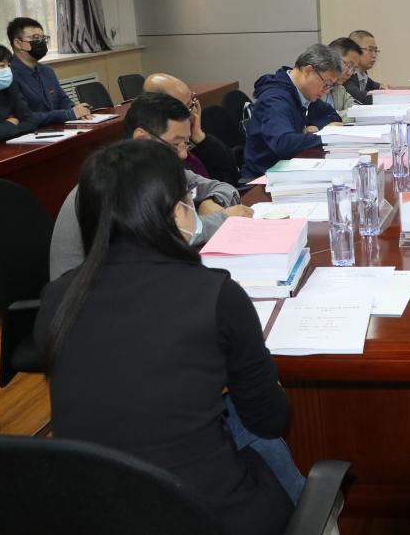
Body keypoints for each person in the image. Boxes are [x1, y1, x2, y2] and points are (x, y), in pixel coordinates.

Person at [35, 139, 301, 535]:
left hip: (92, 515)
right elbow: (271, 419)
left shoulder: (57, 298)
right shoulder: (217, 294)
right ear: (178, 211)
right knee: (257, 430)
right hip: (203, 515)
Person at [50, 93, 251, 280]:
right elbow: (166, 239)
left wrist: (211, 200)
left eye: (186, 144)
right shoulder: (109, 183)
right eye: (176, 144)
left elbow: (224, 188)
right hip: (86, 294)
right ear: (142, 138)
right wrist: (223, 218)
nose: (183, 154)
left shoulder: (156, 170)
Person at [241, 44, 345, 179]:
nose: (326, 91)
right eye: (326, 84)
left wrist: (314, 128)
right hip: (265, 178)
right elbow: (283, 143)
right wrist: (325, 135)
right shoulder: (275, 100)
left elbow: (332, 116)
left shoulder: (303, 92)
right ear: (308, 71)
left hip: (292, 168)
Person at [144, 72, 239, 185]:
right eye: (188, 107)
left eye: (192, 101)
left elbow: (230, 165)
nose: (194, 111)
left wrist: (200, 137)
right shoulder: (158, 150)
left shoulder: (191, 131)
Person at [7, 17, 92, 126]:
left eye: (43, 38)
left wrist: (75, 108)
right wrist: (68, 114)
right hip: (31, 133)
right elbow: (26, 117)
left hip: (58, 129)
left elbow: (62, 100)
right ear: (18, 43)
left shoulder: (47, 71)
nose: (42, 42)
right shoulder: (9, 76)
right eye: (35, 38)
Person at [0, 44, 38, 141]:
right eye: (2, 66)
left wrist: (6, 128)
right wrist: (10, 123)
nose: (7, 70)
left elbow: (31, 121)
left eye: (9, 65)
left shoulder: (9, 87)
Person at [344, 29, 390, 104]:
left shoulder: (362, 74)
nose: (374, 55)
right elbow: (361, 98)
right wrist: (389, 97)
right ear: (354, 50)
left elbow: (372, 84)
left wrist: (382, 86)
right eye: (370, 50)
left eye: (375, 50)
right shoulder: (347, 75)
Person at [325, 36, 363, 114]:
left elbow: (358, 110)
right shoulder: (314, 86)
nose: (349, 73)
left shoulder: (339, 89)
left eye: (353, 69)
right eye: (349, 66)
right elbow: (320, 118)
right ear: (332, 58)